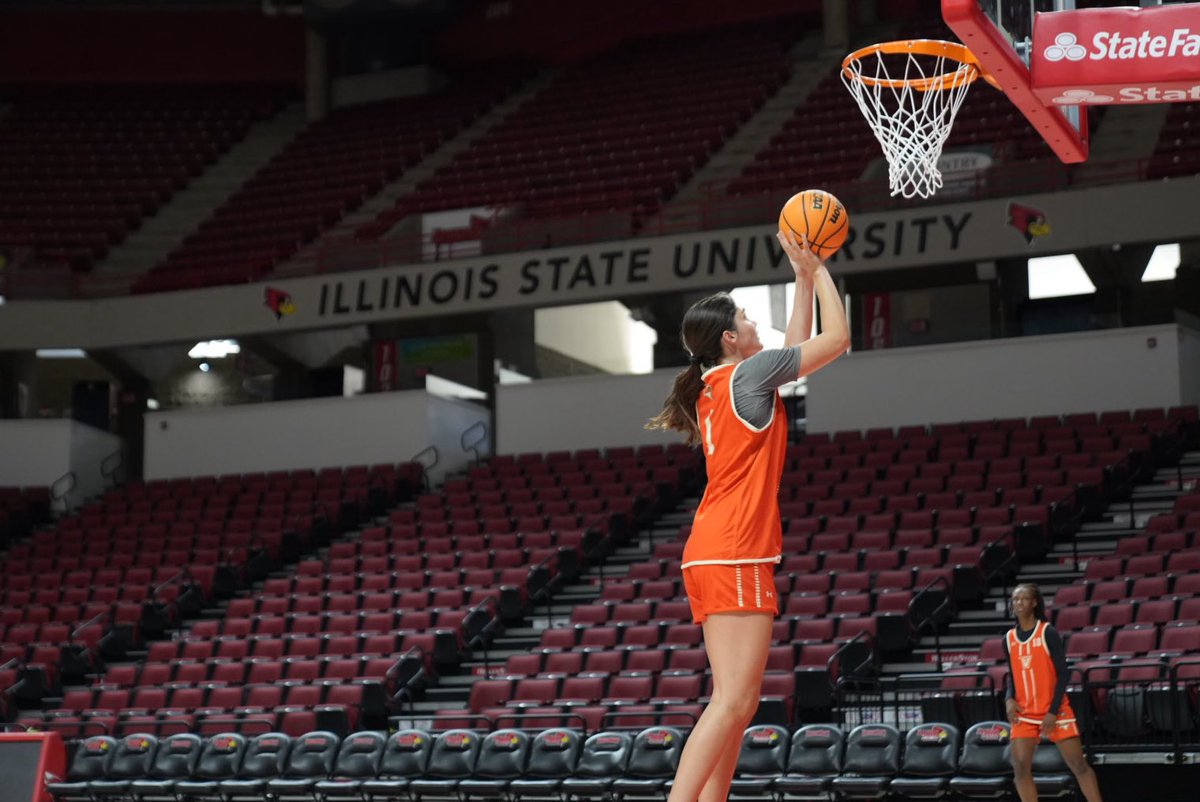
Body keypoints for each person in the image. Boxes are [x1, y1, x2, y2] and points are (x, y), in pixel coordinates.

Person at [647, 229, 850, 802]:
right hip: (734, 547)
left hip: (716, 547)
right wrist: (820, 266)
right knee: (733, 700)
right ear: (730, 338)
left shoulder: (721, 382)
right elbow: (837, 339)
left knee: (737, 700)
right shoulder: (748, 376)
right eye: (745, 317)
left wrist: (801, 279)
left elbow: (795, 354)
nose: (756, 322)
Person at [1004, 583, 1105, 802]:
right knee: (1020, 768)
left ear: (1034, 603)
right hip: (1024, 712)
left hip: (1055, 710)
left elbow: (1063, 674)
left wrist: (1052, 711)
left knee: (1078, 765)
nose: (1018, 603)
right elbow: (1012, 675)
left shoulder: (1047, 632)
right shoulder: (1009, 638)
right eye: (1015, 599)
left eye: (1023, 599)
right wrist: (1009, 698)